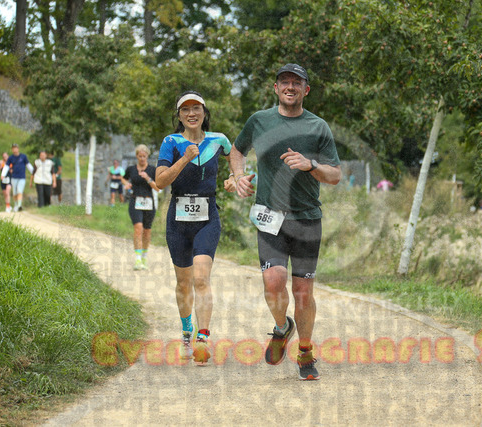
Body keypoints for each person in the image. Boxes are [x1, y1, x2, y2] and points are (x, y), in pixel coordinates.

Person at [230, 63, 341, 380]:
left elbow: (334, 175)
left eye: (296, 82)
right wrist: (238, 176)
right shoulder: (259, 120)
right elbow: (236, 151)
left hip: (307, 219)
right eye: (284, 82)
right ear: (275, 88)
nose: (290, 87)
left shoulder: (318, 126)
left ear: (306, 90)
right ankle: (282, 328)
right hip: (270, 217)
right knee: (273, 281)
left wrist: (310, 165)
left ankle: (305, 354)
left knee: (303, 292)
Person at [155, 90, 236, 365]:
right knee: (183, 283)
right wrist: (185, 158)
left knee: (201, 279)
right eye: (185, 109)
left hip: (207, 218)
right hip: (178, 222)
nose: (191, 113)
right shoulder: (171, 142)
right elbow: (160, 182)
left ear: (204, 112)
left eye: (196, 108)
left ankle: (203, 338)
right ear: (179, 116)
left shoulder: (218, 140)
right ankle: (187, 332)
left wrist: (234, 177)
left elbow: (236, 157)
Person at [123, 145, 160, 271]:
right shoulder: (131, 169)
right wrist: (127, 184)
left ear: (147, 156)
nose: (142, 158)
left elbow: (157, 188)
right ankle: (138, 259)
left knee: (147, 231)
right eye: (140, 156)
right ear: (137, 156)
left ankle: (144, 257)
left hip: (149, 202)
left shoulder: (152, 170)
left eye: (144, 156)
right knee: (138, 228)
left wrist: (148, 178)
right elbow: (123, 178)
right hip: (135, 201)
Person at [1, 143, 34, 212]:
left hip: (22, 177)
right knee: (15, 192)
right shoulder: (11, 158)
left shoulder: (23, 157)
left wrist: (33, 172)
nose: (14, 149)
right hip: (14, 177)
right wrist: (3, 174)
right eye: (13, 148)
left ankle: (19, 205)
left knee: (20, 190)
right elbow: (6, 166)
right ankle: (16, 205)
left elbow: (28, 165)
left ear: (18, 149)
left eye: (15, 148)